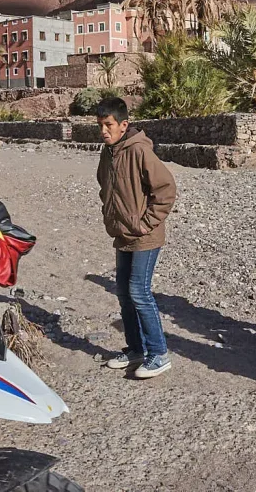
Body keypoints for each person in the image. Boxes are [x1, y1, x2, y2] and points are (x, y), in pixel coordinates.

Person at [95, 97, 177, 379]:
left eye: (108, 125)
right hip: (122, 234)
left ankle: (159, 354)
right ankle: (135, 349)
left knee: (139, 292)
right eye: (101, 125)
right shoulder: (108, 153)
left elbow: (166, 190)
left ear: (123, 125)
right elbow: (104, 185)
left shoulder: (140, 151)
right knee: (123, 294)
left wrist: (145, 224)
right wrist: (111, 213)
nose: (104, 131)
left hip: (145, 236)